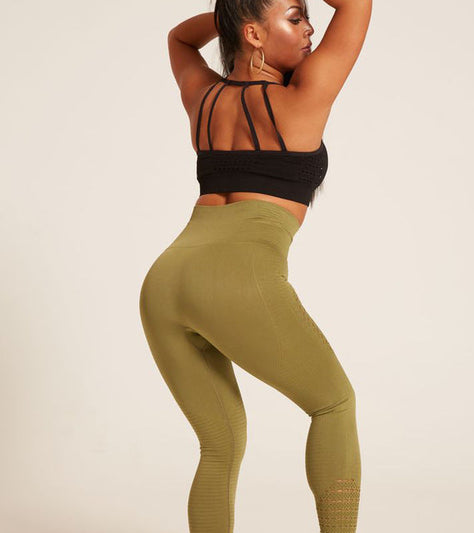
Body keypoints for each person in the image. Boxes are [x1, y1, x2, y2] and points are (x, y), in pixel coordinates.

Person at [139, 1, 372, 531]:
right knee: (334, 404)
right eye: (295, 16)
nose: (310, 28)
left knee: (219, 444)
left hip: (166, 280)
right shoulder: (303, 97)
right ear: (253, 34)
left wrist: (235, 9)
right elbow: (358, 4)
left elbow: (179, 39)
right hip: (236, 278)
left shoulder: (204, 97)